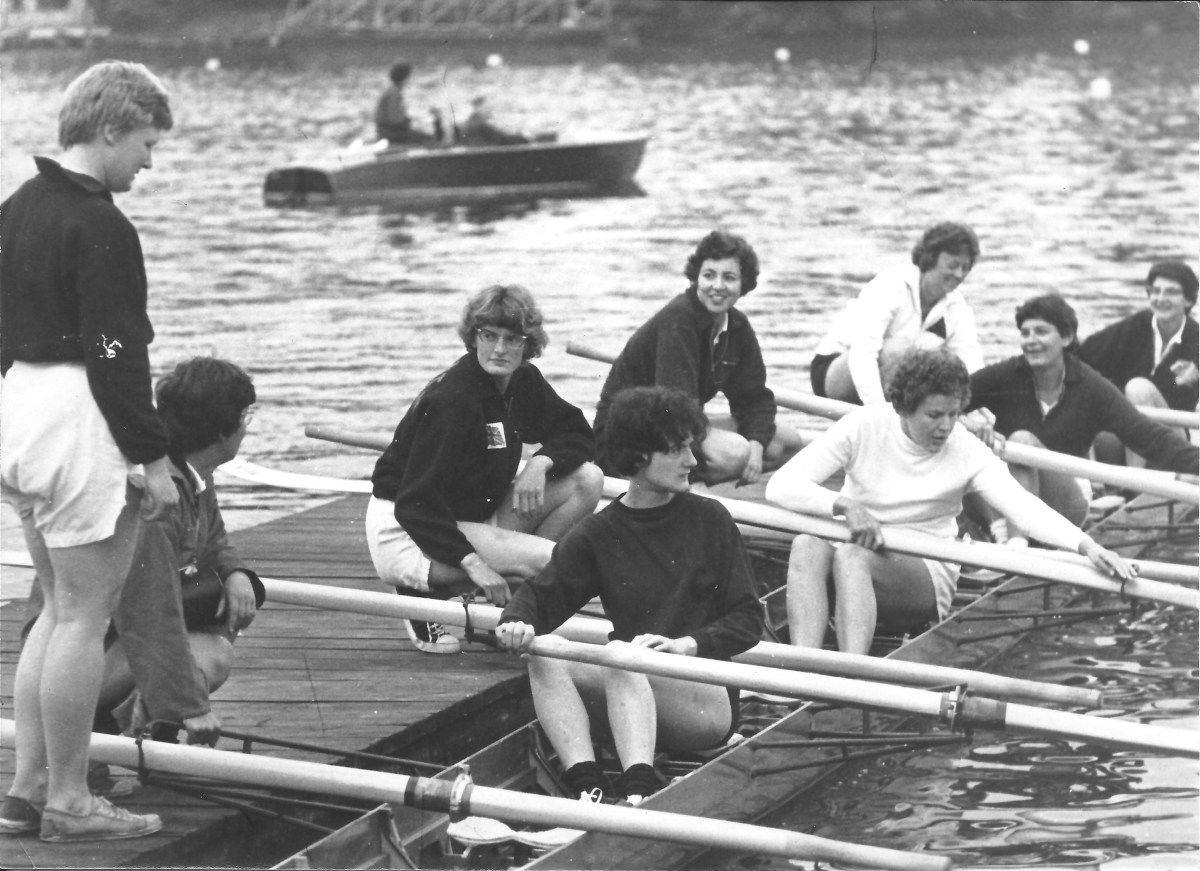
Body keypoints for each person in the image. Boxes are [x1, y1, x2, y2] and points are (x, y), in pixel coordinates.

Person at [0, 61, 179, 842]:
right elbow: (117, 351)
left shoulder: (16, 206)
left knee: (54, 607)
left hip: (19, 409)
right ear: (110, 129)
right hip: (78, 414)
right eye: (146, 143)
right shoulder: (102, 223)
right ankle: (70, 798)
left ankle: (24, 791)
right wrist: (154, 458)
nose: (149, 161)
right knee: (81, 616)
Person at [765, 350, 1136, 655]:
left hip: (925, 566)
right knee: (806, 545)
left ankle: (852, 673)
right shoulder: (863, 426)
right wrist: (844, 505)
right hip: (860, 542)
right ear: (903, 408)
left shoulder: (965, 449)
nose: (945, 426)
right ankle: (803, 666)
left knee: (851, 556)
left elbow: (1022, 506)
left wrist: (1087, 546)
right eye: (934, 415)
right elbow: (780, 486)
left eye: (953, 414)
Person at [496, 387, 764, 804]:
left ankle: (640, 788)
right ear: (638, 455)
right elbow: (539, 598)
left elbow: (749, 619)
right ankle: (587, 783)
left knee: (620, 654)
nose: (693, 461)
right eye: (677, 449)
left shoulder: (710, 519)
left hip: (705, 701)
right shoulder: (599, 533)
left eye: (691, 447)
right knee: (545, 651)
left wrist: (687, 645)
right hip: (632, 684)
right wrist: (514, 622)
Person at [367, 285, 603, 654]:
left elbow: (578, 434)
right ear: (473, 338)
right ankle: (421, 593)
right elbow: (415, 503)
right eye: (489, 336)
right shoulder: (454, 401)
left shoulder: (522, 381)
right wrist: (475, 564)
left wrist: (541, 462)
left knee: (587, 479)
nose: (500, 349)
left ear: (528, 344)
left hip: (462, 516)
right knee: (547, 560)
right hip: (408, 529)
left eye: (512, 339)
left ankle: (507, 610)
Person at [93, 357, 265, 746]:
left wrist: (236, 573)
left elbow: (215, 539)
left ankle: (140, 719)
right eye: (245, 417)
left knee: (222, 610)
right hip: (99, 648)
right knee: (212, 656)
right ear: (222, 430)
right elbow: (149, 613)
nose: (247, 427)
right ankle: (134, 725)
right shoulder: (157, 499)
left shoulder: (194, 473)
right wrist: (191, 704)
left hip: (125, 636)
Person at [964, 294, 1199, 537]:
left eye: (1041, 332)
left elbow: (1149, 437)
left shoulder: (1091, 386)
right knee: (966, 445)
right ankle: (1004, 533)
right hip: (1012, 491)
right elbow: (948, 398)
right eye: (1025, 333)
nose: (1031, 341)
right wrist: (969, 424)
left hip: (1068, 499)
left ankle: (1013, 544)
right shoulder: (1005, 375)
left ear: (1066, 337)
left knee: (1022, 440)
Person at [592, 230, 804, 486]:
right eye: (709, 275)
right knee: (736, 452)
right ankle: (686, 486)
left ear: (744, 283)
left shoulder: (737, 326)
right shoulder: (679, 318)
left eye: (729, 278)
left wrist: (757, 446)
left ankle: (696, 477)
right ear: (696, 278)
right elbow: (675, 408)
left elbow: (754, 399)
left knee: (786, 441)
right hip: (626, 437)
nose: (718, 286)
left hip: (676, 425)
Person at [811, 222, 984, 406]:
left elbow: (972, 370)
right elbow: (863, 353)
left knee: (946, 366)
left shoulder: (959, 310)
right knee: (900, 351)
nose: (959, 274)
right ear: (931, 258)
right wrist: (878, 410)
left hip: (890, 379)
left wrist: (982, 410)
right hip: (835, 369)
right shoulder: (892, 285)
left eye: (965, 268)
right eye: (953, 265)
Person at [1079, 261, 1199, 468]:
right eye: (1155, 291)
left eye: (1171, 292)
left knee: (1138, 388)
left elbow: (1180, 394)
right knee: (1101, 431)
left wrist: (1190, 377)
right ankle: (1101, 481)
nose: (1161, 298)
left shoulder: (1196, 340)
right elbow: (1085, 356)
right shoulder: (1136, 326)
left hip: (1174, 436)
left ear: (1188, 300)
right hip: (1125, 427)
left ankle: (1136, 480)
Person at [373, 61, 434, 145]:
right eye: (410, 76)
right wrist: (410, 121)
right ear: (405, 77)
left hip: (388, 131)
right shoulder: (394, 93)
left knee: (422, 134)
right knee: (428, 139)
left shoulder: (393, 90)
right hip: (389, 134)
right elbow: (394, 120)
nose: (412, 79)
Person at [460, 96, 529, 146]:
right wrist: (522, 137)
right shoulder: (479, 124)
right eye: (487, 107)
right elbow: (501, 138)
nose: (490, 110)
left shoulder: (473, 121)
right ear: (479, 107)